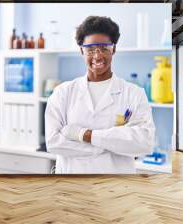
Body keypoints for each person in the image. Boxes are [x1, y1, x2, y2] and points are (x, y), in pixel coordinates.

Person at [45, 16, 155, 174]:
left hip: (116, 189)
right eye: (90, 49)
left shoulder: (134, 93)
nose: (97, 56)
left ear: (114, 49)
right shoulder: (62, 93)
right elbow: (53, 142)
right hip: (72, 188)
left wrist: (84, 134)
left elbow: (144, 142)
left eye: (104, 48)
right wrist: (109, 145)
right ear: (82, 50)